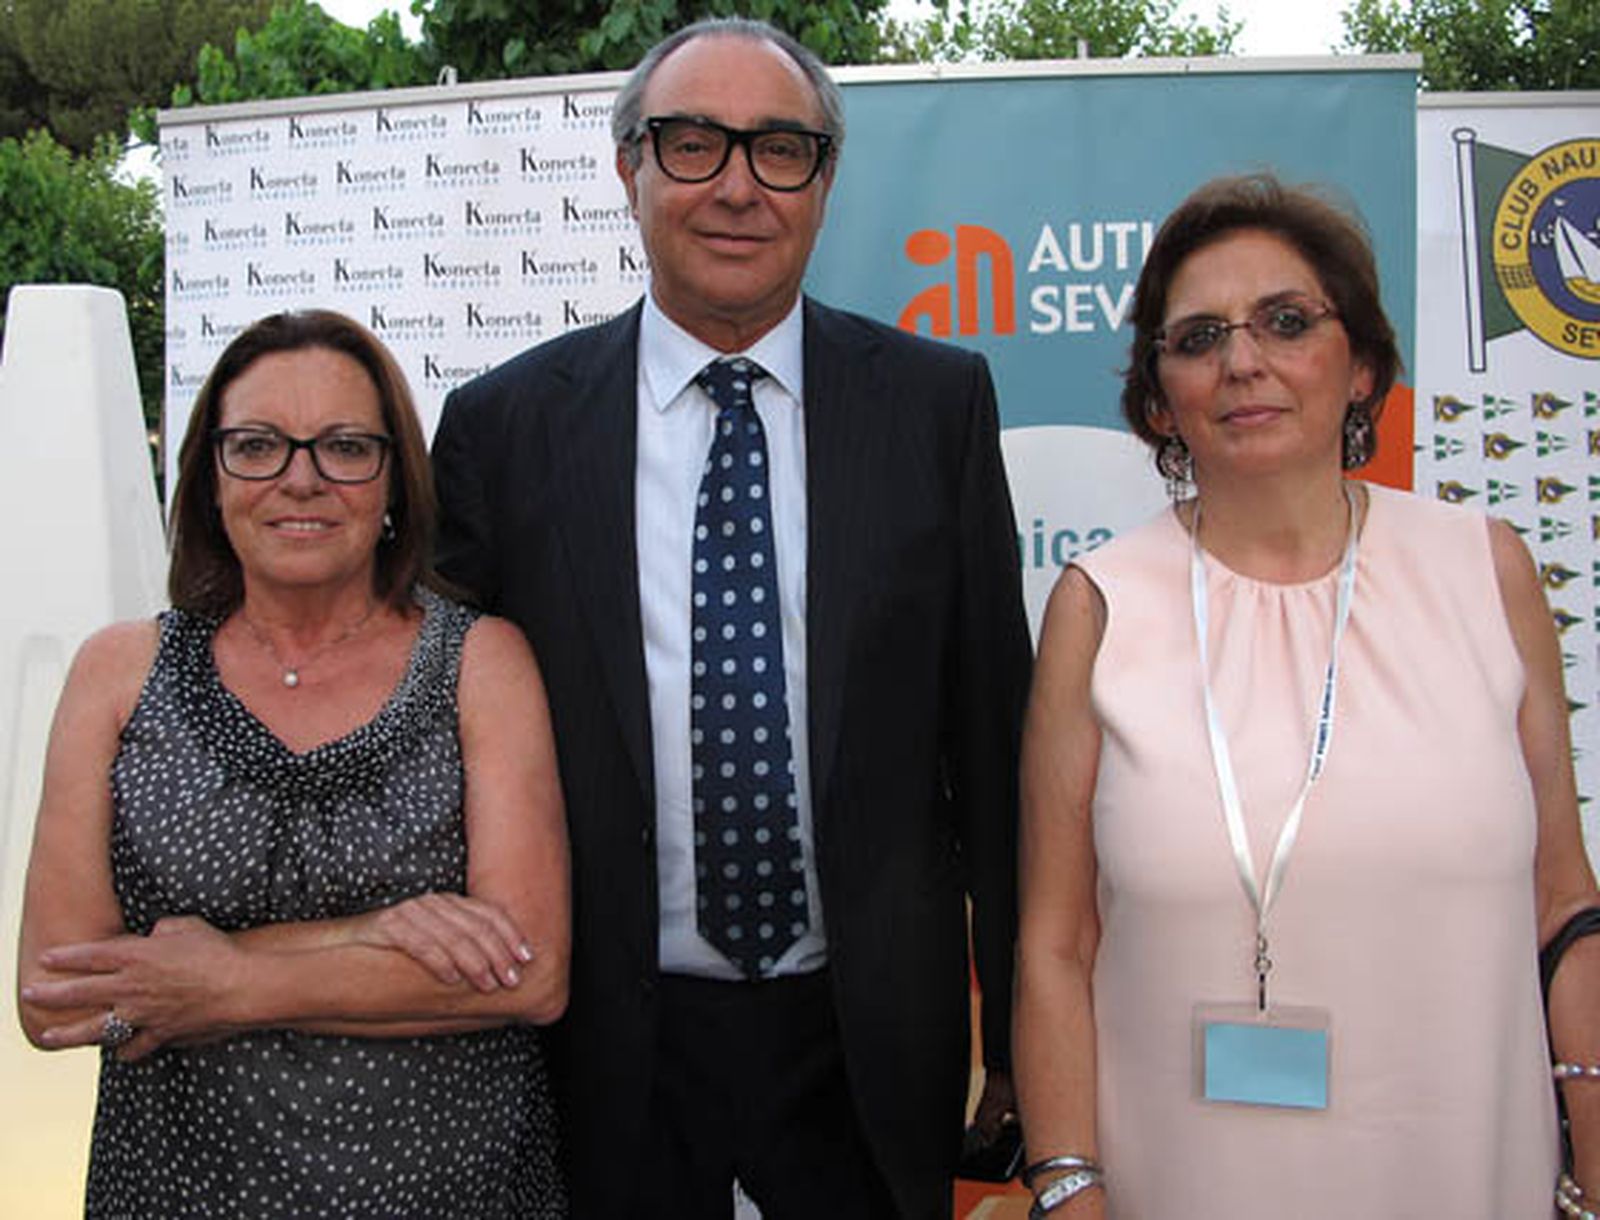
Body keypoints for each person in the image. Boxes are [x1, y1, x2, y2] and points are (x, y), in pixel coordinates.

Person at [430, 17, 1031, 1219]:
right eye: (694, 144)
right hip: (599, 1041)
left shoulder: (934, 407)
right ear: (629, 169)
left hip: (863, 1044)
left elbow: (992, 741)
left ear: (824, 178)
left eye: (781, 150)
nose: (739, 187)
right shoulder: (503, 428)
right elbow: (441, 753)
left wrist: (1018, 1039)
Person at [1012, 172, 1600, 1219]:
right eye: (1196, 337)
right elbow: (1055, 946)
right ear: (1158, 397)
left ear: (1362, 361)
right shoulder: (1099, 606)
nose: (1242, 359)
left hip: (1469, 1177)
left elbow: (1564, 902)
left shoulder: (1484, 570)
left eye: (1286, 321)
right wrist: (1067, 1185)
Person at [17, 310, 571, 1218]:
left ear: (395, 481)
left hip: (452, 1191)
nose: (302, 480)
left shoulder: (481, 661)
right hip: (176, 1192)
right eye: (259, 446)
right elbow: (59, 998)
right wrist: (367, 935)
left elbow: (534, 970)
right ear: (209, 478)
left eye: (346, 447)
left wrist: (223, 981)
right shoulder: (116, 672)